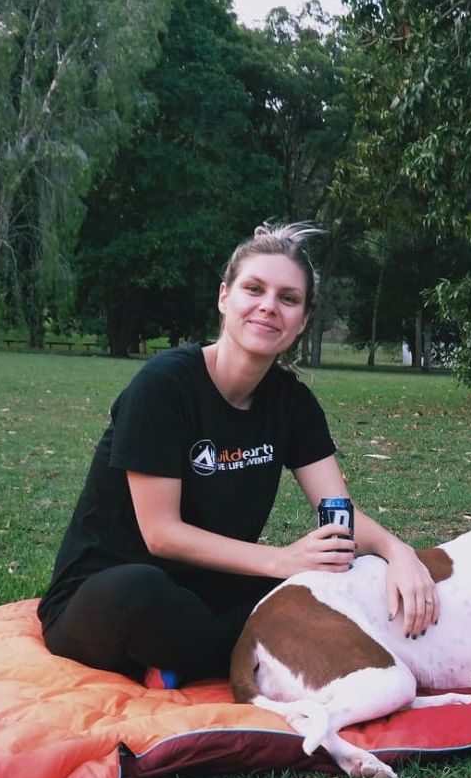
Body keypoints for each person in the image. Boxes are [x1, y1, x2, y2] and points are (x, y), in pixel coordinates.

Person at [38, 222, 439, 684]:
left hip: (209, 588)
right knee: (140, 593)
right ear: (225, 297)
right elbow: (161, 535)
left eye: (288, 298)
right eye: (255, 289)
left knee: (338, 576)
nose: (269, 306)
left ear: (303, 320)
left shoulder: (292, 404)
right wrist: (280, 559)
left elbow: (337, 514)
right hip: (105, 592)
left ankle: (200, 656)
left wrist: (397, 551)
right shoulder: (164, 386)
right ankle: (256, 649)